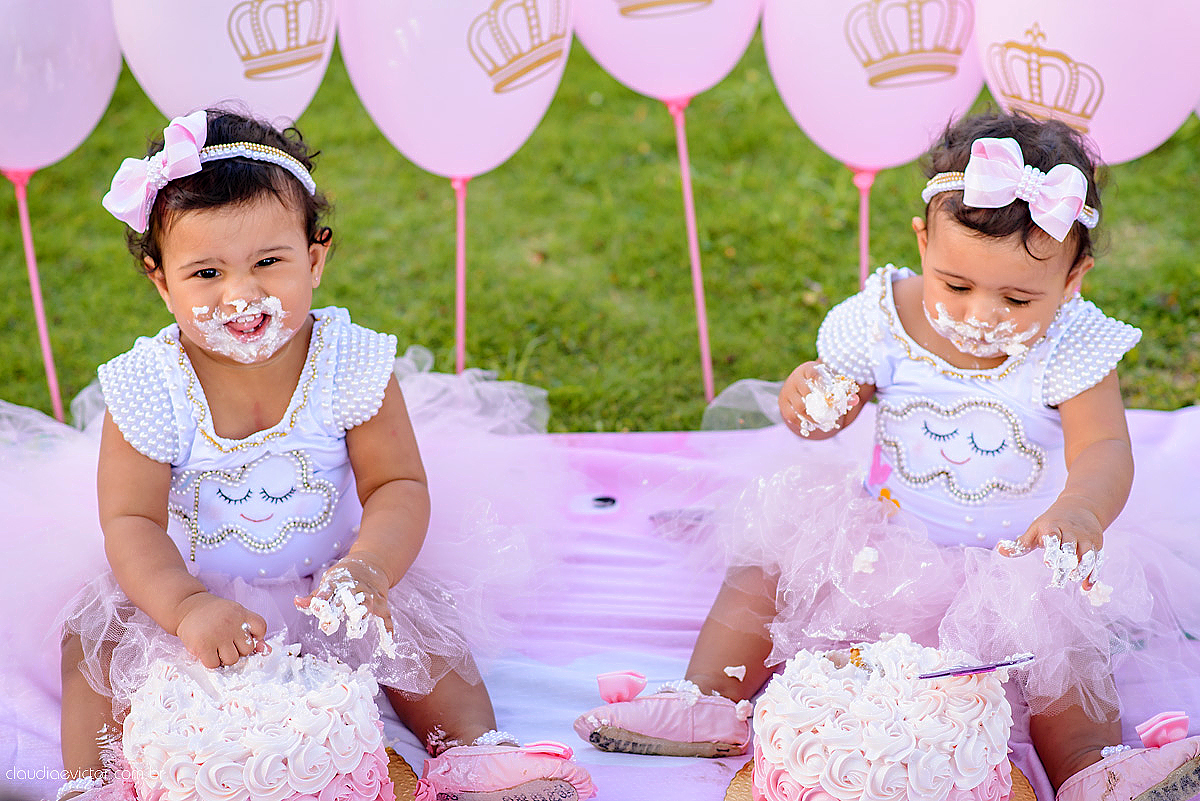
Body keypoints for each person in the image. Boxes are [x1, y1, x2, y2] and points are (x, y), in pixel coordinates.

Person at [575, 111, 1200, 799]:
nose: (978, 314)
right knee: (769, 557)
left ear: (1075, 276)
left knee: (1063, 644)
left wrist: (1080, 508)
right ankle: (710, 697)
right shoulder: (885, 316)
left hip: (1014, 558)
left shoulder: (1072, 348)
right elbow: (838, 399)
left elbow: (1105, 446)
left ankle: (1089, 764)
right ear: (923, 240)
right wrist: (813, 402)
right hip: (886, 546)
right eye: (955, 284)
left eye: (1018, 297)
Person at [55, 109, 594, 801]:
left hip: (330, 574)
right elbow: (130, 522)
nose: (241, 294)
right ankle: (91, 780)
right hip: (189, 586)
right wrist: (187, 606)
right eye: (206, 272)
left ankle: (470, 751)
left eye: (268, 262)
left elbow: (398, 481)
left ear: (314, 258)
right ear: (162, 283)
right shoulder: (149, 386)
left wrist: (368, 569)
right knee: (92, 641)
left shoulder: (349, 363)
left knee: (423, 623)